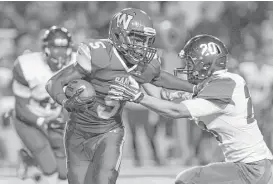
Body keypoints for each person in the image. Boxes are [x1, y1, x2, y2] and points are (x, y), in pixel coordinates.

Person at [45, 8, 198, 184]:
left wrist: (194, 87)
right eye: (137, 38)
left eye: (145, 40)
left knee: (105, 179)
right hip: (78, 132)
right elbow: (53, 83)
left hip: (110, 131)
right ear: (118, 35)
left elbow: (161, 78)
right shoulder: (99, 55)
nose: (142, 45)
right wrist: (66, 102)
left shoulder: (143, 65)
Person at [108, 34, 273, 184]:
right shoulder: (216, 86)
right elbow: (162, 96)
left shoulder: (225, 84)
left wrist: (137, 97)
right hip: (251, 166)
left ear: (206, 62)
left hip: (251, 169)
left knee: (187, 180)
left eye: (191, 62)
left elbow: (174, 110)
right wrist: (141, 78)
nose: (187, 67)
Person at [11, 26, 74, 184]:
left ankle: (30, 161)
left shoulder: (78, 64)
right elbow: (20, 108)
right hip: (29, 120)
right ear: (46, 49)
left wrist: (65, 118)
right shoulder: (27, 67)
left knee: (64, 173)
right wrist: (42, 122)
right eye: (55, 47)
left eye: (63, 47)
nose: (59, 54)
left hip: (56, 119)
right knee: (50, 169)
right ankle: (34, 160)